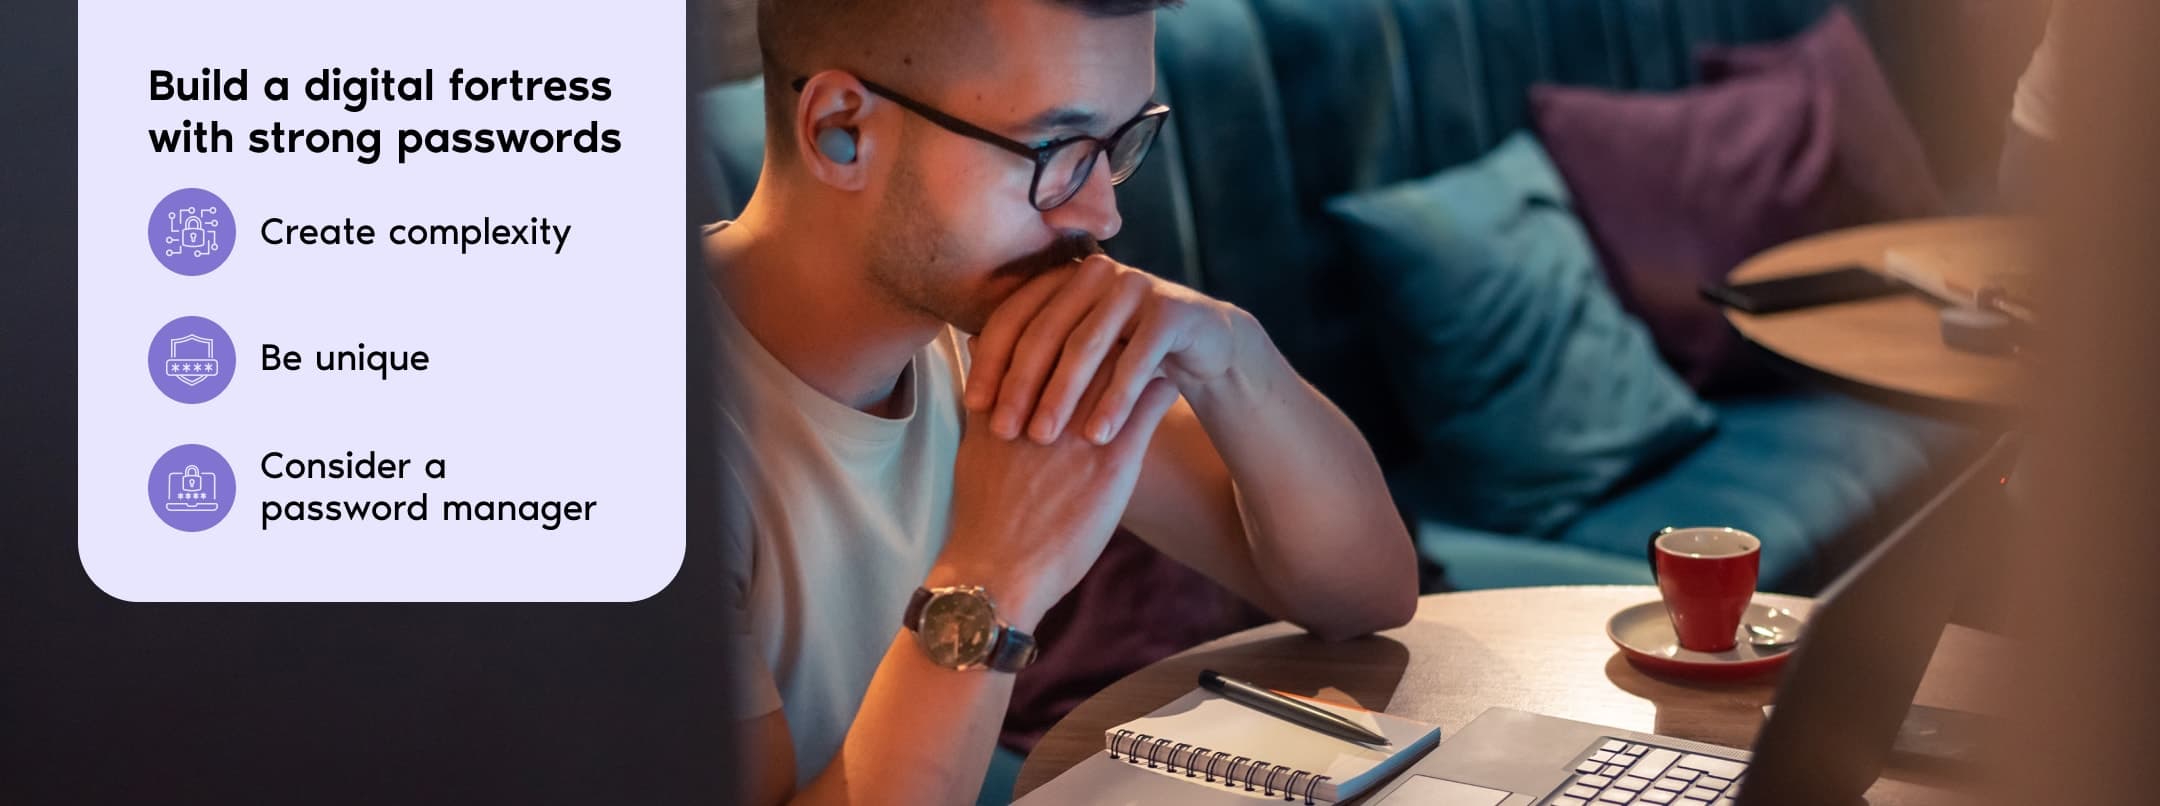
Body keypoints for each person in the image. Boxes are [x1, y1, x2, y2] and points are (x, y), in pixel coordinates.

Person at [706, 1, 1419, 802]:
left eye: (1115, 146)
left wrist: (1235, 358)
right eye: (1054, 149)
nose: (1103, 216)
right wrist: (987, 582)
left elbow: (1366, 596)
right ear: (841, 129)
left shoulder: (994, 326)